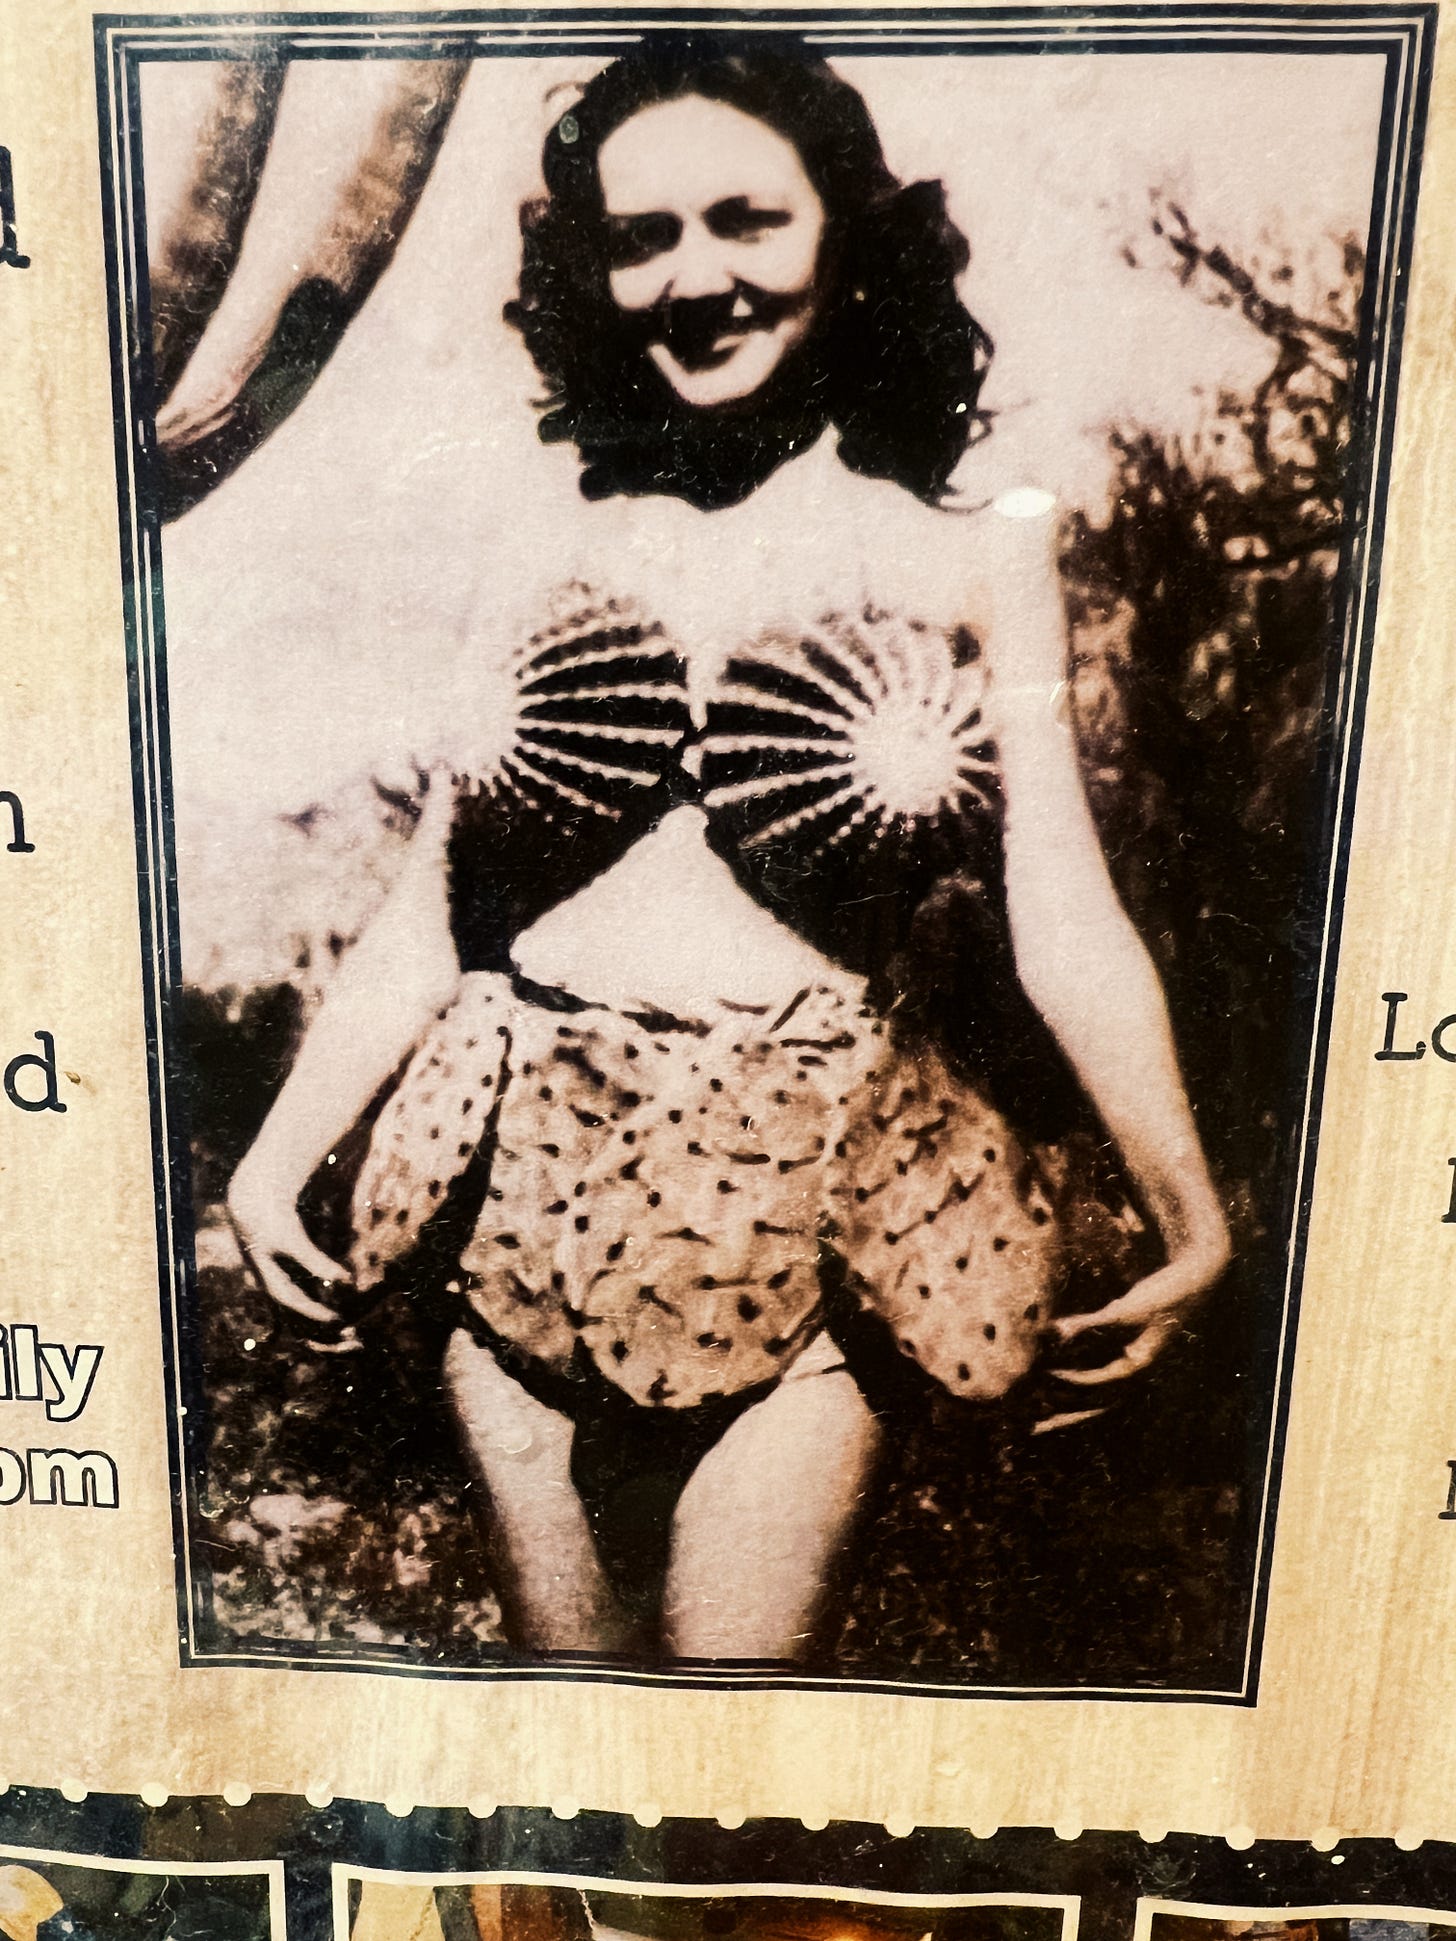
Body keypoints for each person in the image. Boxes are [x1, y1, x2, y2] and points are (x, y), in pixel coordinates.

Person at [227, 37, 1230, 1663]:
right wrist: (279, 1153)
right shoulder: (543, 532)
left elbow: (1061, 907)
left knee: (736, 1710)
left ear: (844, 230)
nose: (698, 276)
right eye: (644, 236)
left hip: (826, 1203)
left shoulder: (973, 556)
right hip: (514, 1192)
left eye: (744, 219)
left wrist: (1189, 1206)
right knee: (575, 1743)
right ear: (593, 268)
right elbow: (438, 911)